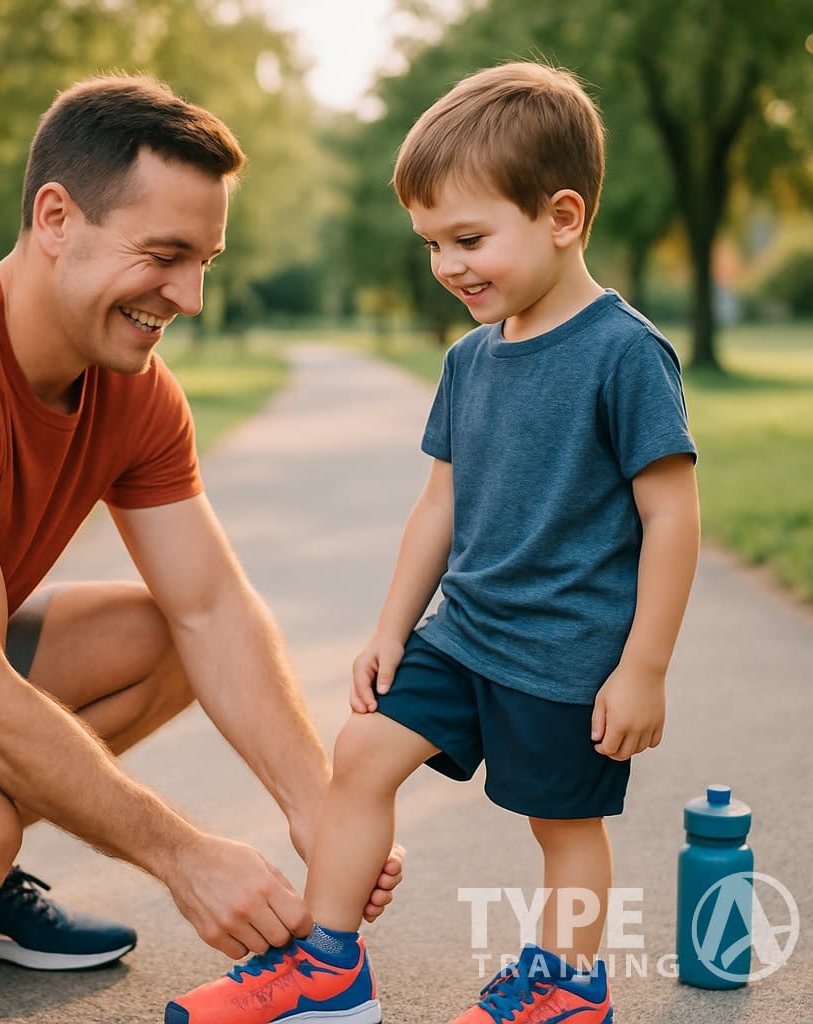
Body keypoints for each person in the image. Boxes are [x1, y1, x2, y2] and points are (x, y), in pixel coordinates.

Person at [0, 74, 402, 1019]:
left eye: (205, 261)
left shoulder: (135, 391)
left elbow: (210, 607)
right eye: (164, 254)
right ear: (55, 216)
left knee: (158, 637)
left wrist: (315, 803)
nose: (190, 298)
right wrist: (183, 856)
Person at [167, 61, 701, 1024]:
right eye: (431, 244)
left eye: (468, 238)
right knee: (363, 749)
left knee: (563, 825)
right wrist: (389, 628)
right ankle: (328, 971)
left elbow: (673, 516)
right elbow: (438, 507)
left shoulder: (625, 354)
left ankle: (569, 993)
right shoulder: (468, 360)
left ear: (563, 216)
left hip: (568, 652)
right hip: (464, 632)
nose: (448, 265)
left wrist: (644, 668)